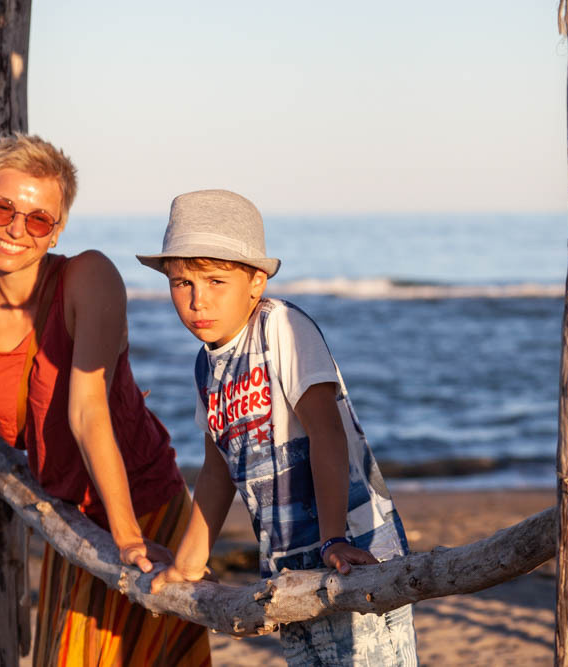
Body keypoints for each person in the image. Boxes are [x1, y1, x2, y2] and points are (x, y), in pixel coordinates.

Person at [0, 134, 211, 666]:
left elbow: (86, 410)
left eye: (38, 219)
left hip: (141, 508)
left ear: (56, 233)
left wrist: (128, 541)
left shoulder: (88, 278)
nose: (16, 229)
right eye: (3, 208)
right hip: (70, 519)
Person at [141, 189, 419, 665]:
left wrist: (334, 539)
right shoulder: (207, 368)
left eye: (215, 281)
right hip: (288, 571)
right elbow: (216, 470)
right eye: (182, 283)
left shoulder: (282, 328)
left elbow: (326, 433)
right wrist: (188, 563)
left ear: (254, 282)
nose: (197, 299)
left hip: (354, 558)